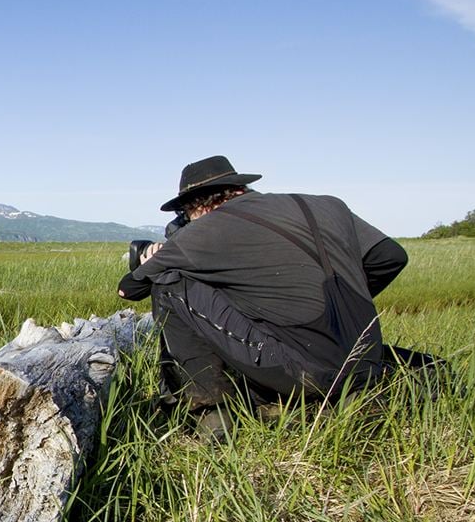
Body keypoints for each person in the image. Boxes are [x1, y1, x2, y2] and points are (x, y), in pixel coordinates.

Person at [118, 155, 408, 437]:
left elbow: (129, 288)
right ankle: (351, 394)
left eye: (184, 215)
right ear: (239, 187)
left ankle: (211, 413)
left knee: (169, 282)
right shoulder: (325, 205)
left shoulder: (205, 229)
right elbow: (391, 256)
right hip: (366, 358)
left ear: (198, 206)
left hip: (299, 372)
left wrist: (151, 258)